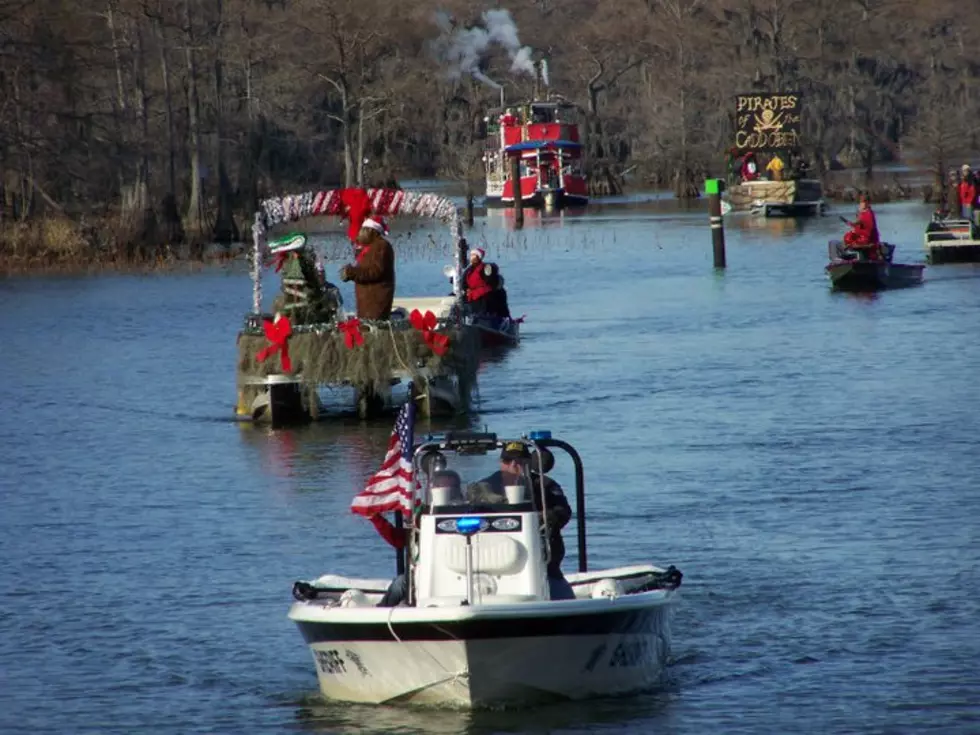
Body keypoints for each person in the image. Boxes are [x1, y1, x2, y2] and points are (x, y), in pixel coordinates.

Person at [468, 442, 575, 600]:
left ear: (528, 463)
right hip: (491, 562)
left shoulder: (544, 485)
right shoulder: (484, 487)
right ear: (500, 462)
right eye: (507, 461)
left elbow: (564, 511)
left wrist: (544, 517)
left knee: (563, 596)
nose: (513, 465)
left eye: (519, 462)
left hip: (542, 562)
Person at [370, 470, 463, 607]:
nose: (446, 491)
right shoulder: (423, 515)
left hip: (459, 571)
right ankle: (382, 613)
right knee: (401, 582)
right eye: (441, 487)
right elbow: (400, 540)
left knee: (401, 582)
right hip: (428, 572)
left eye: (451, 488)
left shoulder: (469, 511)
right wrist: (375, 517)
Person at [339, 217, 395, 320]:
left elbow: (375, 272)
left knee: (372, 331)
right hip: (368, 303)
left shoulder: (381, 246)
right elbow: (366, 269)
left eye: (364, 229)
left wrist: (352, 272)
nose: (361, 233)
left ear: (372, 231)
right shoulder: (370, 247)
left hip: (376, 302)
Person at [843, 194, 882, 259]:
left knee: (848, 238)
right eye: (860, 202)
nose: (860, 204)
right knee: (848, 236)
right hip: (868, 239)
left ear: (867, 203)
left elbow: (865, 227)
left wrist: (850, 224)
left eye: (862, 202)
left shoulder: (867, 214)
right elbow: (858, 225)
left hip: (868, 240)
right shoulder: (867, 213)